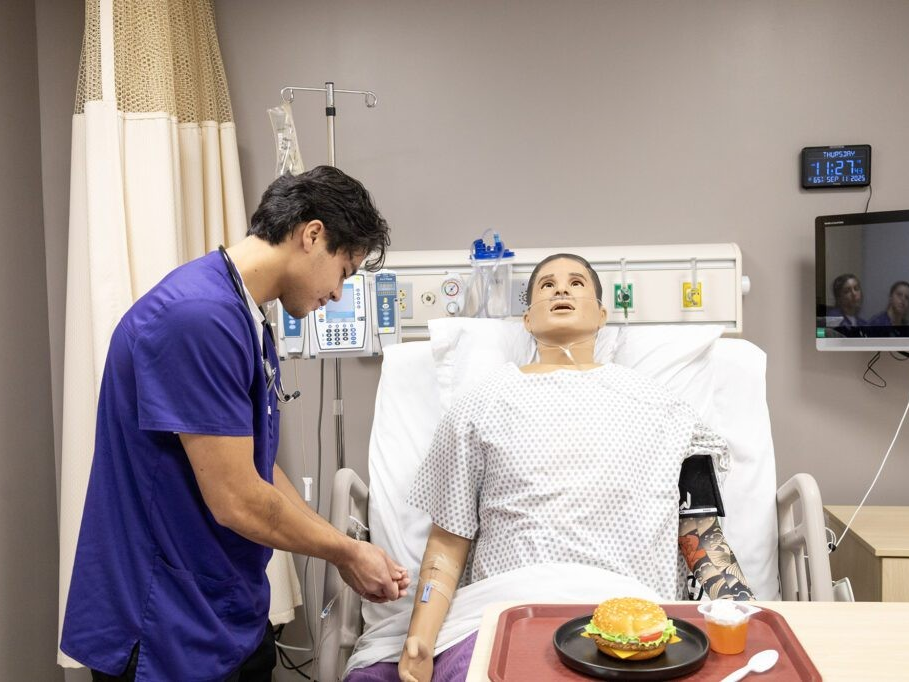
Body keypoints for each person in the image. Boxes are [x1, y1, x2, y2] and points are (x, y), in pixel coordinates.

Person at [61, 166, 410, 681]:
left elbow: (256, 467)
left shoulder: (242, 315)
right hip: (163, 622)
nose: (339, 294)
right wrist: (346, 551)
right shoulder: (197, 317)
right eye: (344, 271)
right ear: (312, 235)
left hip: (215, 606)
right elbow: (238, 499)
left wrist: (343, 549)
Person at [387, 253, 753, 682]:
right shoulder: (480, 405)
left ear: (601, 315)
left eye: (577, 283)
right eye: (547, 285)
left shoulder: (666, 410)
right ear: (527, 319)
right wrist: (421, 637)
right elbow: (448, 544)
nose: (561, 289)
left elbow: (701, 534)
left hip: (630, 624)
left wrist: (747, 620)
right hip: (508, 611)